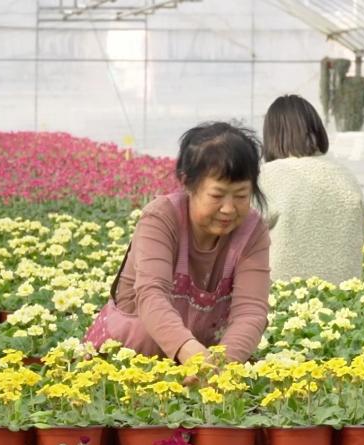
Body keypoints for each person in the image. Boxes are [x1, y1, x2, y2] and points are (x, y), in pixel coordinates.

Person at [85, 122, 271, 364]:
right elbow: (152, 294)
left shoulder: (252, 231)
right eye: (217, 195)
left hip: (205, 365)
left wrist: (223, 366)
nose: (228, 208)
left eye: (241, 195)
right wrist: (188, 351)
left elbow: (251, 311)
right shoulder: (161, 218)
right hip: (126, 362)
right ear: (188, 183)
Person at [259, 94, 364, 284]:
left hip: (283, 293)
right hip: (346, 295)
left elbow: (241, 237)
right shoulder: (346, 176)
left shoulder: (269, 175)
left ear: (272, 136)